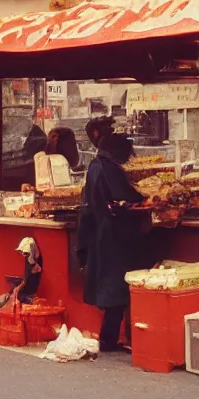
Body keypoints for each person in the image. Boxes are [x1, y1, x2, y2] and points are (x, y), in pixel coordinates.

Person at [77, 117, 149, 352]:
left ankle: (110, 338)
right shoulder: (109, 169)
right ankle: (109, 339)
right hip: (114, 237)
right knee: (116, 291)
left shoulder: (97, 166)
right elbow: (125, 199)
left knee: (113, 291)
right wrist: (144, 202)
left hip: (103, 235)